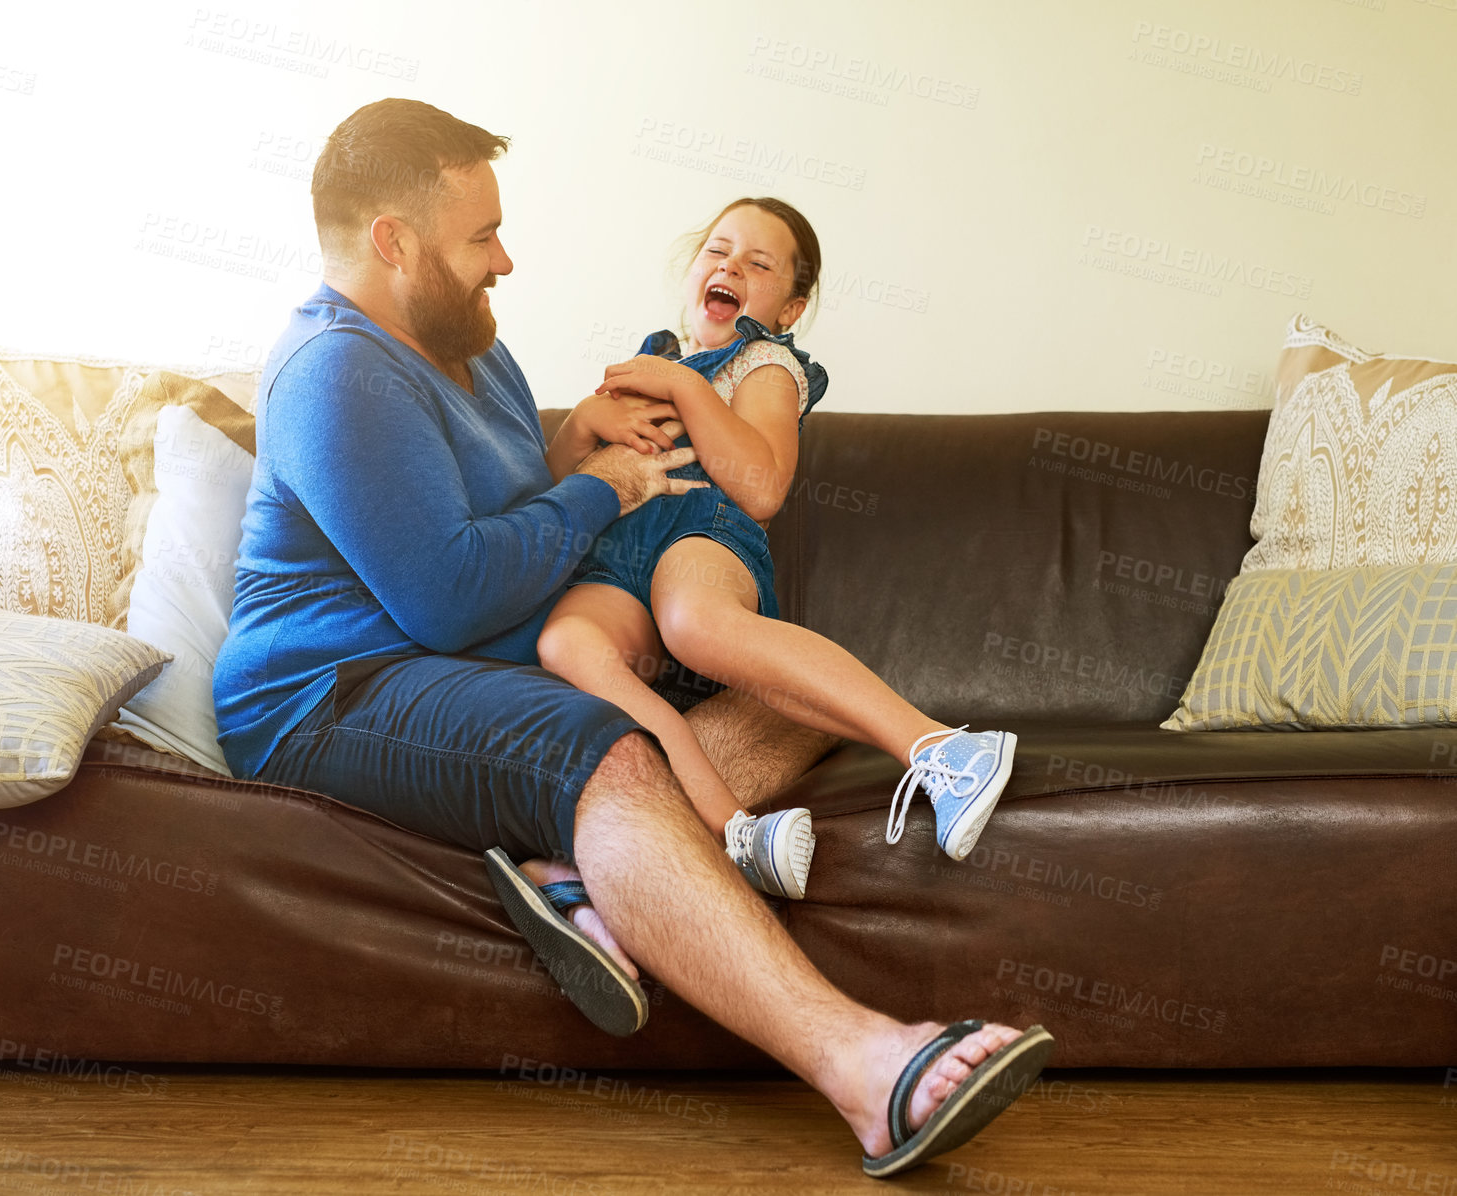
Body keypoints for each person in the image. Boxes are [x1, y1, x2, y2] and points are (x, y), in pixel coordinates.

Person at [212, 97, 1052, 1178]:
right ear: (392, 240)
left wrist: (576, 449)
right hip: (333, 692)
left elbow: (514, 505)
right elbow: (451, 596)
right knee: (604, 752)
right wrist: (602, 491)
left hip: (461, 669)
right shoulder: (337, 369)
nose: (503, 259)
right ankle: (868, 1066)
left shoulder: (480, 353)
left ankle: (578, 873)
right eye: (480, 236)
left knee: (787, 698)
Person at [535, 197, 1018, 902]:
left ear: (789, 309)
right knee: (565, 644)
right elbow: (553, 501)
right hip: (612, 554)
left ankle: (943, 748)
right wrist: (583, 424)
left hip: (699, 530)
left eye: (757, 264)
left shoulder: (762, 362)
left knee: (694, 621)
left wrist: (685, 387)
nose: (730, 265)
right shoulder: (646, 362)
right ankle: (736, 832)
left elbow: (760, 487)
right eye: (718, 251)